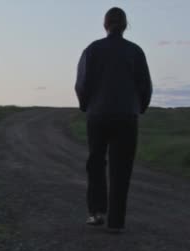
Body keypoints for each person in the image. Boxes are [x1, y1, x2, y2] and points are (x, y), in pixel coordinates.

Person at [75, 7, 152, 232]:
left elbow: (82, 84)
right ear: (125, 25)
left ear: (105, 24)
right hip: (127, 116)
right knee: (122, 168)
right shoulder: (135, 51)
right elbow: (145, 86)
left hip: (98, 115)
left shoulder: (92, 50)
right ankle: (116, 222)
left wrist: (86, 105)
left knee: (96, 163)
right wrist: (139, 108)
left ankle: (97, 213)